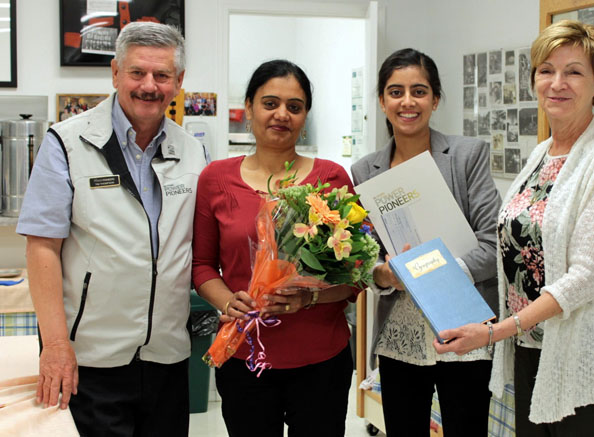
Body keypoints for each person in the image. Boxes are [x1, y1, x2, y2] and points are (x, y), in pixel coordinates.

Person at [434, 20, 594, 436]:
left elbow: (582, 279)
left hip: (587, 361)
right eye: (546, 70)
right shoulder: (543, 154)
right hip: (532, 350)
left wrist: (493, 332)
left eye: (574, 71)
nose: (557, 83)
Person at [16, 22, 208, 436]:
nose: (149, 86)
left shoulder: (193, 153)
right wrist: (54, 346)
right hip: (90, 360)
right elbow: (42, 247)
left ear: (178, 81)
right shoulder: (67, 143)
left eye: (162, 75)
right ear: (115, 73)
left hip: (168, 356)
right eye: (138, 72)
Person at [192, 59, 359, 437]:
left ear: (304, 116)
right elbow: (201, 265)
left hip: (321, 359)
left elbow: (356, 275)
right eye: (270, 103)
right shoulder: (215, 178)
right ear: (248, 107)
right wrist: (225, 301)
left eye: (294, 107)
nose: (281, 114)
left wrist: (310, 300)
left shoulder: (331, 178)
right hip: (245, 357)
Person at [350, 48, 501, 437]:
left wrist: (433, 273)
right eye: (395, 91)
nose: (407, 102)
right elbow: (364, 258)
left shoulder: (468, 155)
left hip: (464, 326)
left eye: (419, 91)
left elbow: (492, 242)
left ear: (435, 99)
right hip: (399, 335)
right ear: (382, 101)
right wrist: (382, 274)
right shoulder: (365, 170)